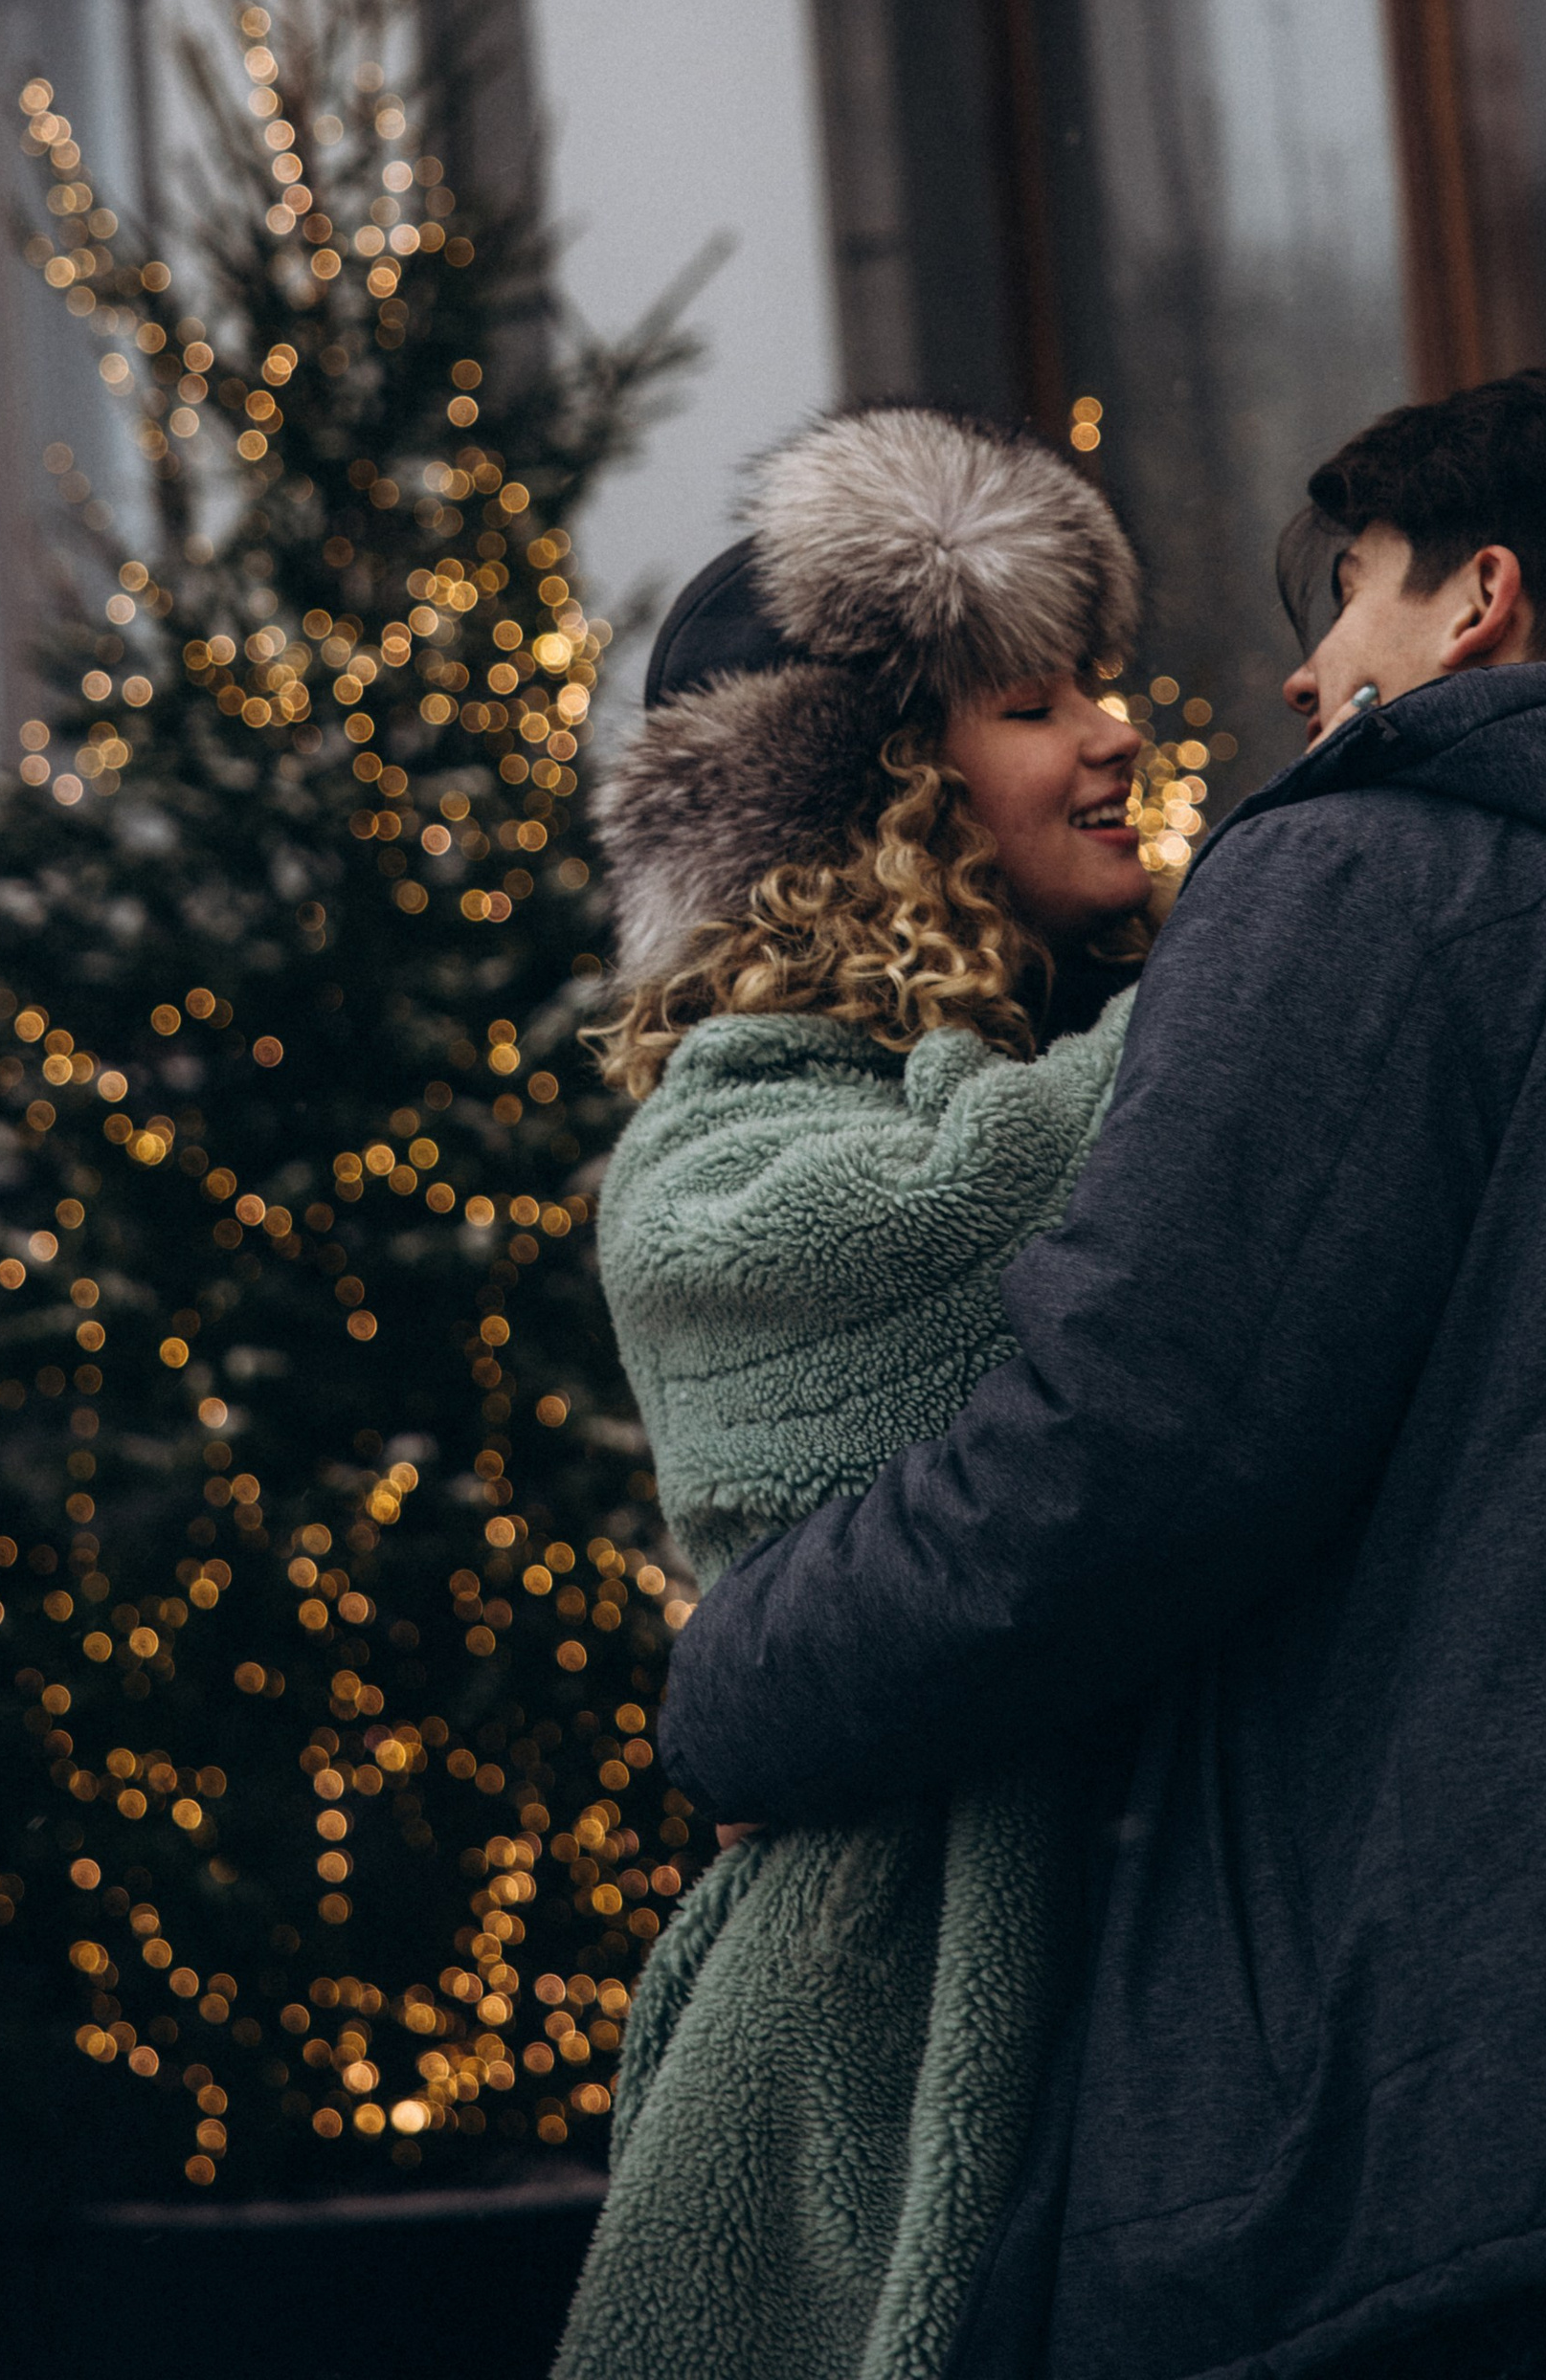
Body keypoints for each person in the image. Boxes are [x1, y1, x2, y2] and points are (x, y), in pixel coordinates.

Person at [658, 369, 1546, 2380]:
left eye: (1346, 593)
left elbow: (1141, 1437)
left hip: (1468, 2126)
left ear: (1475, 604)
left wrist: (733, 1689)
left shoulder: (1373, 872)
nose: (1299, 676)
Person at [552, 406, 1154, 2380]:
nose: (1112, 739)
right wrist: (1283, 971)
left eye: (1101, 686)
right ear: (869, 790)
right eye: (1027, 702)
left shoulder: (1108, 1048)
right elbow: (989, 1219)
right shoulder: (714, 1157)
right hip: (864, 2025)